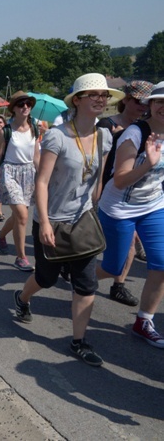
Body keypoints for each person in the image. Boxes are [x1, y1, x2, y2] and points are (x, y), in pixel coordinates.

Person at [14, 73, 120, 367]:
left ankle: (78, 341)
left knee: (86, 284)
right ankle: (22, 298)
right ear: (77, 100)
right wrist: (45, 222)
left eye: (104, 95)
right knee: (46, 278)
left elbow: (97, 178)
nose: (101, 99)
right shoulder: (57, 136)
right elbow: (43, 182)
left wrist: (96, 209)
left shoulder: (105, 136)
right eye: (94, 95)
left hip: (83, 219)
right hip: (53, 220)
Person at [96, 81, 164, 348]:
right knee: (113, 266)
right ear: (151, 105)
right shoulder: (135, 134)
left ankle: (143, 321)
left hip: (153, 206)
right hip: (119, 208)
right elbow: (121, 179)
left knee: (162, 264)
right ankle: (80, 273)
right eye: (160, 102)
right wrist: (149, 162)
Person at [0, 91, 41, 272]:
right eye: (20, 104)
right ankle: (21, 257)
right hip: (10, 172)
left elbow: (36, 155)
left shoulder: (34, 127)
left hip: (28, 173)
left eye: (27, 104)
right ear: (14, 109)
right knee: (23, 216)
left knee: (19, 215)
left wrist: (42, 176)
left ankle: (1, 235)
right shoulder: (6, 130)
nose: (25, 107)